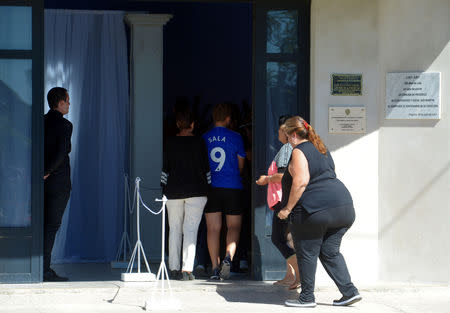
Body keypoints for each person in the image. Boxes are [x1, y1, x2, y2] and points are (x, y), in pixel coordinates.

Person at [278, 116, 361, 308]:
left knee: (307, 251)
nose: (282, 136)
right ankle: (349, 292)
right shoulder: (322, 148)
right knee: (330, 252)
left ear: (292, 135)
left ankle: (306, 297)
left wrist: (287, 208)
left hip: (314, 210)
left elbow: (301, 181)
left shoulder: (298, 151)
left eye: (284, 132)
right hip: (344, 206)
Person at [161, 109, 211, 281]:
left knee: (174, 229)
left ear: (177, 124)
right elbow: (206, 170)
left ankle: (173, 268)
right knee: (190, 231)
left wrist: (163, 188)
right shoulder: (199, 142)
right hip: (197, 191)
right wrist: (209, 188)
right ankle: (187, 270)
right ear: (192, 124)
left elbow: (165, 170)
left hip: (173, 191)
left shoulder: (170, 142)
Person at [256, 114, 300, 290]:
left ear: (285, 130)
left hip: (283, 201)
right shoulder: (290, 148)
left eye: (279, 130)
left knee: (277, 238)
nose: (277, 134)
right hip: (284, 200)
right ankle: (291, 276)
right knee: (288, 239)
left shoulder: (287, 149)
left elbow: (283, 176)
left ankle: (300, 274)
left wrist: (266, 179)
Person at [202, 103, 246, 280]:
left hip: (212, 187)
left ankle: (214, 267)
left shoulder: (205, 137)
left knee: (213, 229)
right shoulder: (236, 137)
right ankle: (228, 257)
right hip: (233, 186)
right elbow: (241, 165)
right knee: (234, 227)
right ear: (228, 119)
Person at [43, 87, 73, 282]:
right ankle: (44, 269)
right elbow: (62, 153)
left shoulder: (41, 121)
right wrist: (48, 171)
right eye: (67, 101)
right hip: (58, 181)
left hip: (40, 182)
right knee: (52, 226)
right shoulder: (65, 125)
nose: (69, 104)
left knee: (41, 224)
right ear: (60, 102)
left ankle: (39, 265)